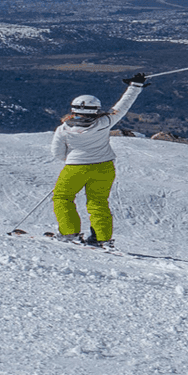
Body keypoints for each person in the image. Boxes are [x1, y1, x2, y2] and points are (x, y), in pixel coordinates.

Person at [49, 74, 146, 248]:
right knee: (98, 202)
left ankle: (69, 232)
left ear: (73, 110)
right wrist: (135, 86)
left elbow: (57, 153)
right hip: (104, 167)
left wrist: (72, 158)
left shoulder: (63, 129)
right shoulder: (104, 122)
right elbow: (122, 106)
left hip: (75, 168)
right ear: (96, 109)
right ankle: (102, 238)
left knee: (62, 198)